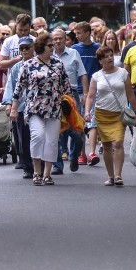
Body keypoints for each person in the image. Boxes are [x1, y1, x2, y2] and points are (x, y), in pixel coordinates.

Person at [9, 32, 72, 186]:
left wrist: (70, 105)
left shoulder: (58, 64)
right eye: (50, 45)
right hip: (34, 108)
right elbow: (18, 88)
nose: (53, 47)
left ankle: (47, 174)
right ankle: (37, 171)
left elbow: (66, 86)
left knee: (51, 141)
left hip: (54, 108)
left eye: (53, 45)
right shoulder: (28, 65)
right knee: (37, 136)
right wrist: (14, 107)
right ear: (41, 47)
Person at [84, 46, 136, 186]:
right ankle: (111, 176)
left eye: (111, 55)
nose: (110, 58)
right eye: (106, 57)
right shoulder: (96, 76)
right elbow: (90, 96)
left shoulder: (123, 73)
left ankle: (119, 174)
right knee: (107, 146)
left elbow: (130, 94)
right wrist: (86, 112)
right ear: (100, 61)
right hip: (101, 114)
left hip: (119, 114)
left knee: (118, 143)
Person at [51, 28, 87, 174]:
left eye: (61, 38)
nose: (58, 41)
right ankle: (57, 165)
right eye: (55, 39)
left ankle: (74, 156)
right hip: (53, 95)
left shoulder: (74, 53)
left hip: (71, 95)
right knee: (56, 131)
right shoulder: (48, 55)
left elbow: (83, 74)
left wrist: (85, 93)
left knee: (77, 132)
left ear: (65, 38)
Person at [3, 35, 36, 179]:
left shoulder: (39, 64)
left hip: (37, 106)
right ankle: (28, 167)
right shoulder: (16, 67)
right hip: (21, 107)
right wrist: (9, 105)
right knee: (23, 139)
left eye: (27, 47)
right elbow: (10, 86)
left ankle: (41, 166)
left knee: (38, 137)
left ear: (33, 48)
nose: (24, 51)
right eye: (21, 48)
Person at [72, 21, 102, 165]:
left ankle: (92, 152)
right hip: (77, 90)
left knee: (93, 122)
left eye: (79, 33)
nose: (76, 36)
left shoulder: (98, 49)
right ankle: (81, 153)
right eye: (76, 33)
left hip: (94, 91)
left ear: (88, 33)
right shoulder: (74, 49)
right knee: (80, 124)